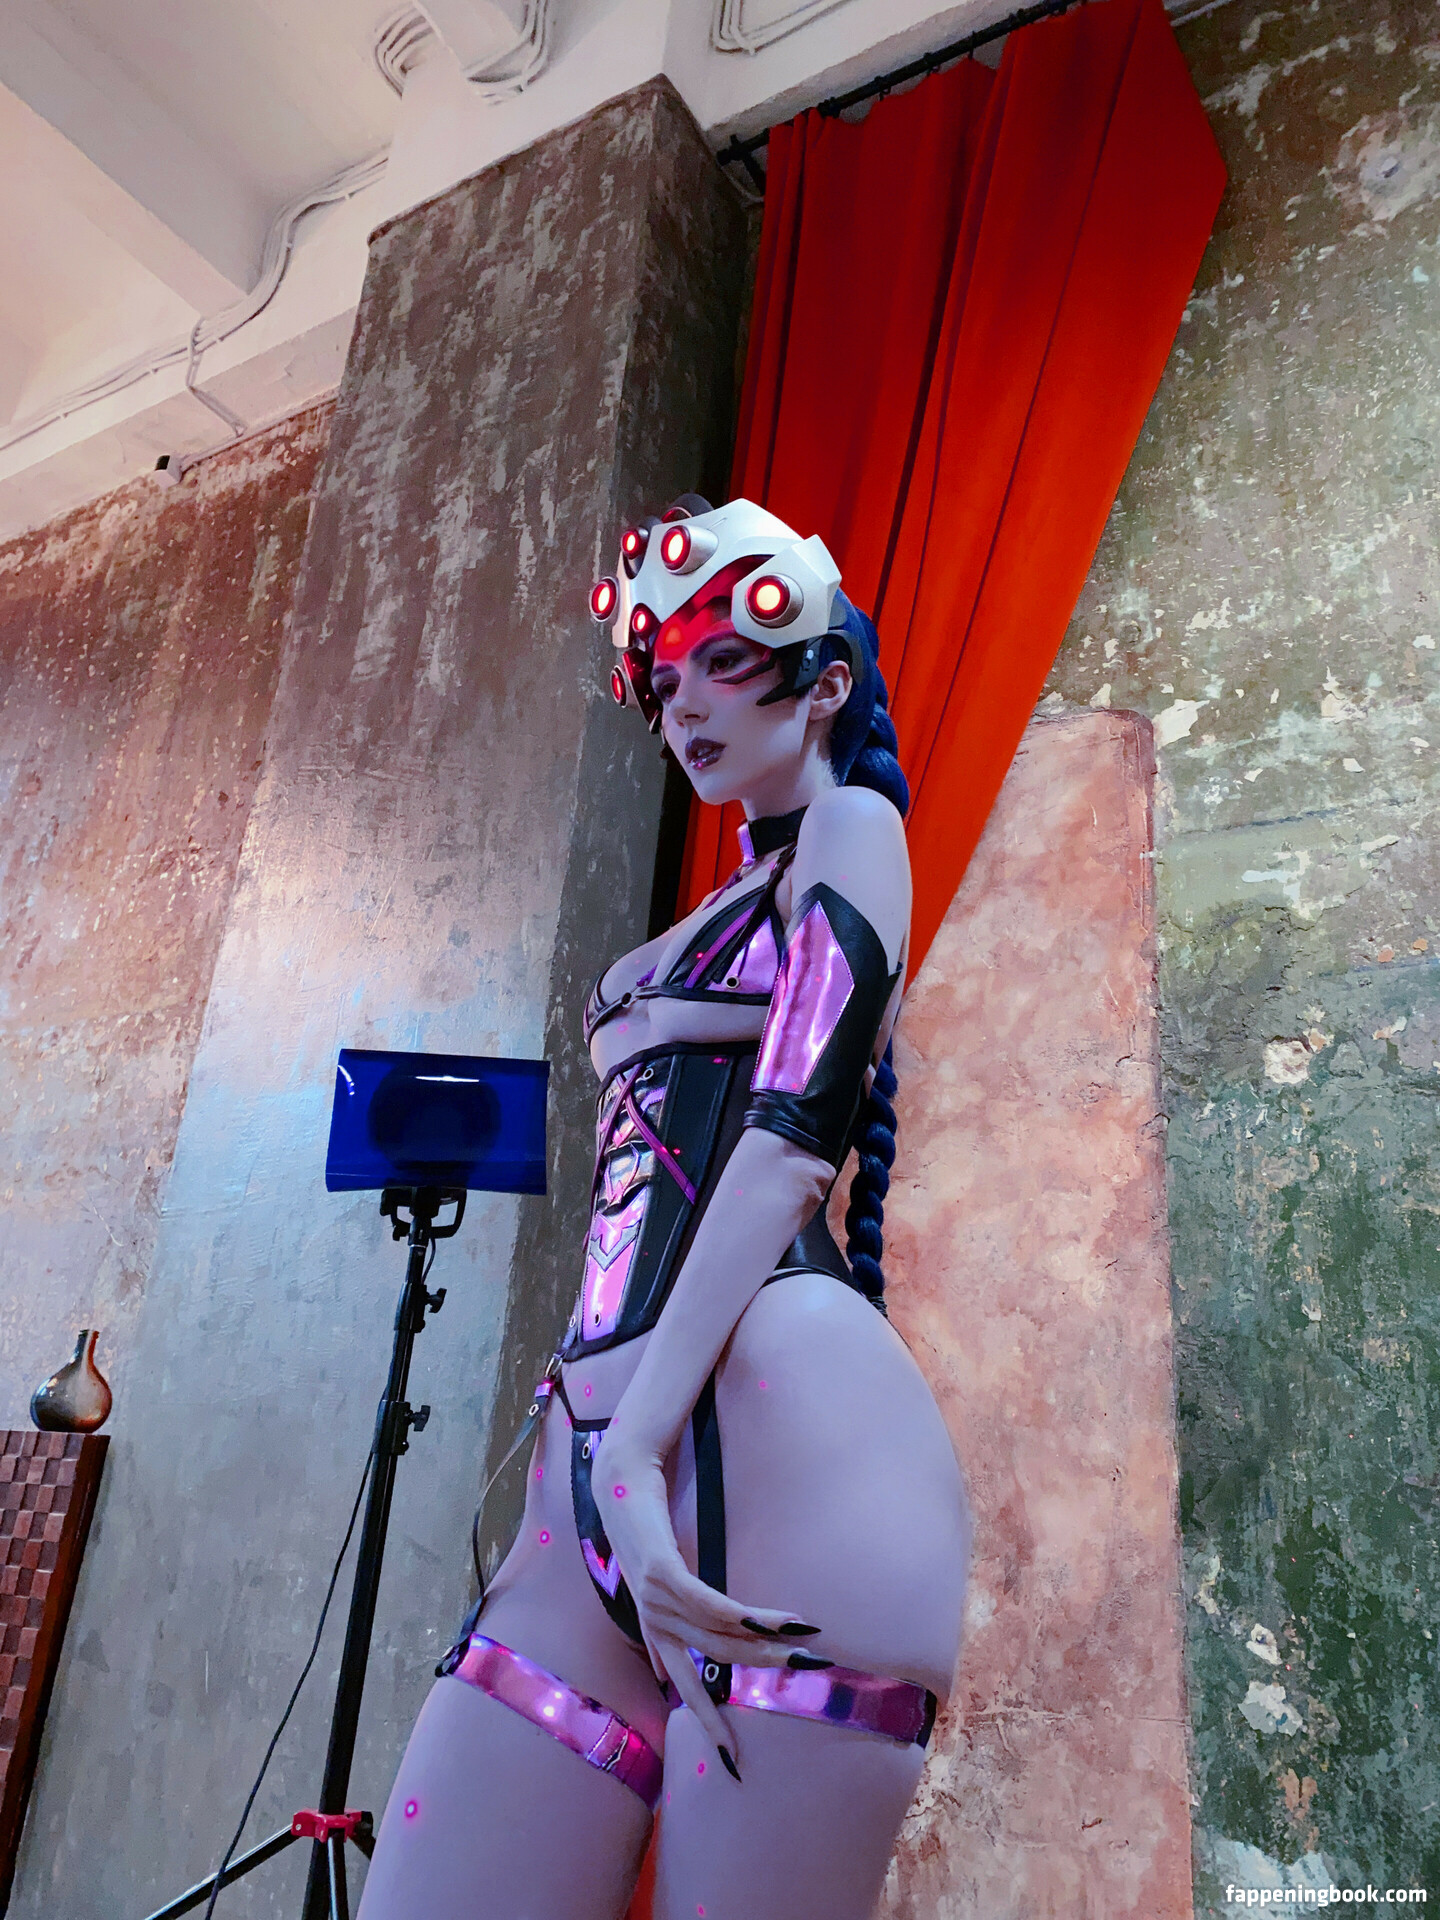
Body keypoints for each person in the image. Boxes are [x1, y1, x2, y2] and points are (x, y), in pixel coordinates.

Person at [355, 497, 970, 1920]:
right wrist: (599, 1449)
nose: (682, 701)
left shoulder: (855, 830)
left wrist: (633, 1447)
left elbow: (790, 1140)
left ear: (824, 682)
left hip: (777, 1451)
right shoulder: (713, 912)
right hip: (589, 1471)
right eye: (663, 674)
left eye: (721, 660)